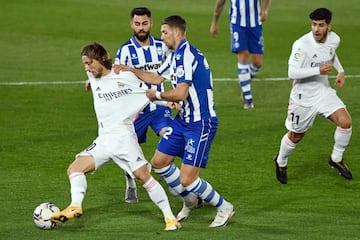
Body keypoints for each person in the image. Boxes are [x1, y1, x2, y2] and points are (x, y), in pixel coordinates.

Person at [51, 42, 181, 231]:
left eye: (89, 63)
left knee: (143, 177)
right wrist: (89, 80)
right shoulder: (92, 75)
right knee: (75, 169)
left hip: (123, 136)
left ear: (102, 58)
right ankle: (75, 205)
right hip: (103, 139)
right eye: (84, 65)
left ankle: (170, 219)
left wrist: (167, 101)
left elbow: (145, 92)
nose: (86, 68)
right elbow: (94, 78)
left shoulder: (125, 76)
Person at [120, 15, 235, 227]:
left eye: (164, 32)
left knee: (187, 179)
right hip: (183, 121)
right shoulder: (175, 55)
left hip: (201, 123)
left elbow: (181, 93)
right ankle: (190, 200)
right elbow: (155, 77)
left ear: (176, 33)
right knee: (159, 162)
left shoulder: (186, 55)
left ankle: (224, 207)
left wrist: (158, 96)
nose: (161, 37)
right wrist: (128, 71)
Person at [273, 8, 353, 184]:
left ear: (328, 26)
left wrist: (341, 71)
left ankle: (336, 158)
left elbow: (330, 54)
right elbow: (291, 72)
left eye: (321, 25)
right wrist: (318, 69)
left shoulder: (334, 39)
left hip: (323, 91)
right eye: (314, 25)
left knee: (346, 122)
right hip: (303, 97)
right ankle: (281, 161)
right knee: (296, 136)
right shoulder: (302, 45)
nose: (316, 29)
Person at [113, 7, 173, 204]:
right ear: (132, 24)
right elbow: (115, 77)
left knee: (169, 137)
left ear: (151, 23)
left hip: (158, 106)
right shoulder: (125, 51)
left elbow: (173, 69)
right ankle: (130, 180)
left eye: (144, 23)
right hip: (135, 111)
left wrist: (173, 96)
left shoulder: (162, 46)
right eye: (137, 24)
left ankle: (175, 182)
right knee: (128, 148)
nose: (141, 27)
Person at [210, 0, 271, 109]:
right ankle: (248, 99)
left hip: (255, 23)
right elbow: (221, 2)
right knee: (243, 55)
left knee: (258, 62)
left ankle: (244, 82)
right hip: (237, 23)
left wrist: (265, 10)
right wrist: (214, 23)